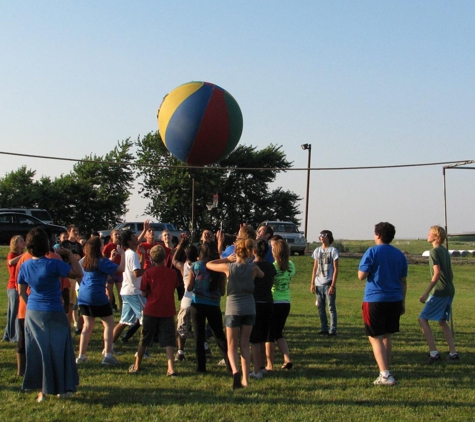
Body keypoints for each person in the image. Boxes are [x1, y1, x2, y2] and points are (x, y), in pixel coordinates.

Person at [18, 227, 82, 402]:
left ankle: (41, 392)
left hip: (33, 312)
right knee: (60, 350)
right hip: (54, 310)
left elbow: (21, 292)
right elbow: (78, 273)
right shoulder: (53, 263)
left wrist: (31, 302)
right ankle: (62, 388)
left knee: (37, 352)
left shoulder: (25, 265)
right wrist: (69, 254)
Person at [207, 238, 264, 389]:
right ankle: (246, 379)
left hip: (233, 309)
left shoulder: (229, 267)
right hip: (249, 308)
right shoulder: (253, 268)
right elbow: (263, 275)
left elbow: (209, 264)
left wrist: (225, 258)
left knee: (231, 345)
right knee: (244, 344)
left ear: (235, 251)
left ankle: (235, 372)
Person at [358, 222, 407, 386]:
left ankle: (385, 374)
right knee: (387, 335)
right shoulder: (399, 254)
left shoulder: (372, 251)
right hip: (395, 299)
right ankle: (386, 370)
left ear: (377, 235)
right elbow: (403, 281)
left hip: (375, 299)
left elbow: (361, 275)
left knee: (375, 337)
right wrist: (403, 302)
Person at [129, 245, 180, 376]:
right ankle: (171, 368)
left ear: (151, 258)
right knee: (169, 340)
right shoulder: (172, 273)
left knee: (144, 338)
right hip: (168, 309)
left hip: (151, 309)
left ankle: (137, 365)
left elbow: (144, 293)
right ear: (165, 257)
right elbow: (175, 286)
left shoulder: (148, 273)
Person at [76, 237, 125, 365]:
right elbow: (121, 269)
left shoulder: (87, 261)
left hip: (83, 295)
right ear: (98, 248)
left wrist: (111, 259)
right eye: (102, 244)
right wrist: (122, 254)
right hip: (96, 294)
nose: (104, 246)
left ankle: (81, 356)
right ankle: (108, 355)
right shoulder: (101, 261)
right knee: (108, 324)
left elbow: (101, 268)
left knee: (87, 326)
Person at [188, 241, 229, 373]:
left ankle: (201, 367)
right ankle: (230, 364)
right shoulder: (220, 269)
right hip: (213, 304)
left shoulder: (195, 266)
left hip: (197, 303)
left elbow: (189, 287)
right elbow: (222, 292)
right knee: (219, 336)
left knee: (198, 337)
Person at [418, 226, 459, 363]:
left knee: (422, 318)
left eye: (430, 233)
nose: (428, 235)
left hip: (440, 291)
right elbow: (451, 273)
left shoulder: (434, 252)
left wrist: (425, 293)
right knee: (441, 321)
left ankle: (434, 353)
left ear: (436, 237)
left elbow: (436, 274)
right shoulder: (445, 252)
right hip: (449, 289)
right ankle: (453, 353)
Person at [112, 231, 146, 348]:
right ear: (129, 242)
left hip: (126, 291)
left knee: (124, 321)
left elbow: (136, 270)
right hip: (134, 292)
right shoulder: (132, 254)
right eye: (133, 236)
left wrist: (143, 257)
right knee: (146, 320)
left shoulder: (128, 253)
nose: (136, 238)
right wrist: (150, 270)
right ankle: (143, 351)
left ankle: (108, 347)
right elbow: (137, 273)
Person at [265, 239, 295, 371]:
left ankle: (270, 364)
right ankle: (287, 358)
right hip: (286, 302)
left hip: (274, 301)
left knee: (269, 335)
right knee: (279, 333)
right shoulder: (292, 265)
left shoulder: (273, 267)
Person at [249, 239, 276, 380]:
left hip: (255, 304)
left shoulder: (252, 267)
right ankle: (262, 366)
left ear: (254, 251)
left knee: (255, 339)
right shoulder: (271, 267)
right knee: (263, 337)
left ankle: (257, 369)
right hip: (268, 303)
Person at [172, 234, 199, 362]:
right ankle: (203, 348)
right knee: (199, 327)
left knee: (182, 328)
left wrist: (181, 245)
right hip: (199, 301)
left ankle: (180, 351)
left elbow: (174, 260)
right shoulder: (201, 266)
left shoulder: (184, 267)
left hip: (186, 301)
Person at [310, 230, 339, 336]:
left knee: (331, 307)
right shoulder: (317, 251)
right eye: (320, 235)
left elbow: (336, 269)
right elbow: (315, 267)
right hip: (318, 283)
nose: (322, 237)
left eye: (324, 235)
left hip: (328, 283)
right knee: (320, 307)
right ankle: (324, 328)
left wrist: (333, 285)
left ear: (329, 237)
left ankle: (333, 329)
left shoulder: (333, 251)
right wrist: (312, 283)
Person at [3, 235, 25, 343]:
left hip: (20, 285)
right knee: (14, 312)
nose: (23, 242)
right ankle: (12, 336)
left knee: (15, 311)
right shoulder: (12, 254)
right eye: (21, 241)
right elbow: (10, 262)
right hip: (13, 287)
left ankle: (8, 335)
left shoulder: (22, 255)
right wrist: (23, 256)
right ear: (15, 244)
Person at [103, 229, 124, 312]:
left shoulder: (122, 247)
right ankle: (108, 312)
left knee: (121, 294)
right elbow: (102, 259)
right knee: (110, 296)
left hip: (119, 273)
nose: (118, 236)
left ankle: (123, 312)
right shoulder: (108, 246)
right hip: (110, 273)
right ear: (111, 236)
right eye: (116, 234)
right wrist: (110, 258)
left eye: (119, 234)